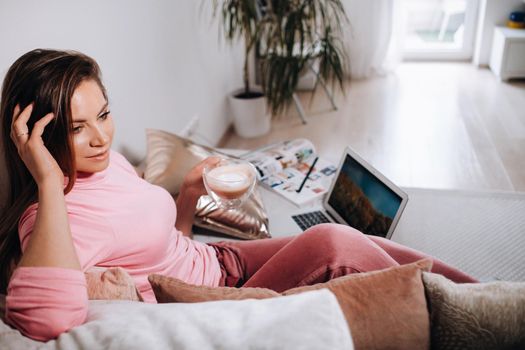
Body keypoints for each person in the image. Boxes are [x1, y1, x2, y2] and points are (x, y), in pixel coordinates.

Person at [0, 49, 477, 342]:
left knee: (345, 236)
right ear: (35, 137)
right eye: (76, 128)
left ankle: (473, 293)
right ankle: (465, 313)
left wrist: (186, 195)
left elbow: (158, 250)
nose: (100, 138)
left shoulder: (106, 164)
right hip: (217, 295)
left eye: (104, 115)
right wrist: (45, 178)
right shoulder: (52, 215)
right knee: (334, 245)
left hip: (219, 257)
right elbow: (44, 318)